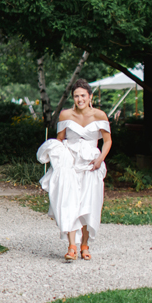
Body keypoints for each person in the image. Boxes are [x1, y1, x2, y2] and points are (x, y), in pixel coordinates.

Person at [36, 79, 112, 261]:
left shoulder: (100, 115)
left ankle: (85, 245)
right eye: (76, 96)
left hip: (91, 165)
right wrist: (60, 162)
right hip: (70, 164)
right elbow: (59, 140)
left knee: (89, 205)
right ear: (73, 97)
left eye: (83, 95)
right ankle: (71, 246)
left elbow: (107, 141)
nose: (80, 99)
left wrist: (100, 160)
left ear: (90, 96)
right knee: (69, 202)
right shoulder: (65, 115)